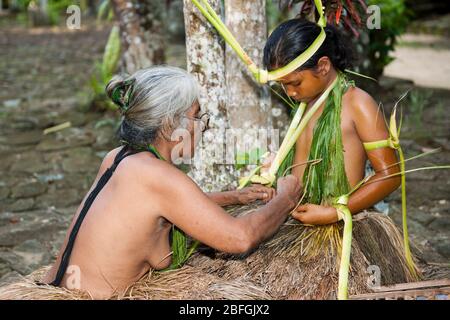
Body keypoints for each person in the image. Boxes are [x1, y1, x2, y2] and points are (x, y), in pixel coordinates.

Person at [43, 66, 301, 298]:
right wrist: (285, 199)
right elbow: (239, 239)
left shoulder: (117, 158)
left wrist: (233, 196)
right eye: (197, 116)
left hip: (63, 289)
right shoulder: (158, 176)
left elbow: (158, 207)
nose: (203, 127)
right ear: (169, 125)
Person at [262, 18, 401, 225]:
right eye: (283, 86)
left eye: (295, 83)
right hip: (296, 219)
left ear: (323, 66)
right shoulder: (304, 104)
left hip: (338, 224)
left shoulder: (357, 103)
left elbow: (390, 175)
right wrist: (278, 168)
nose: (290, 92)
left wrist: (335, 212)